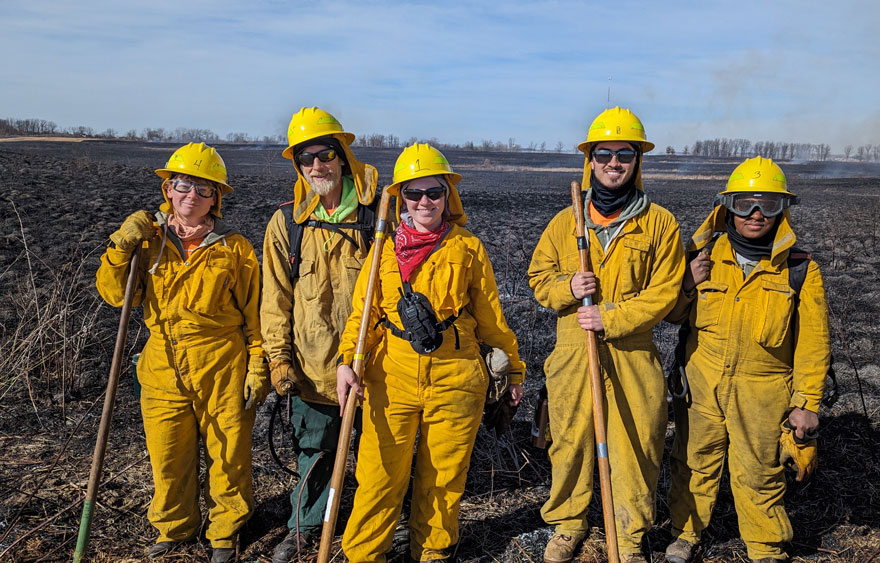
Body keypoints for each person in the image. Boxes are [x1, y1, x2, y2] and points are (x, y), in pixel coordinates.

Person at [336, 143, 525, 562]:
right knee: (378, 475)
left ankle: (434, 552)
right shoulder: (382, 248)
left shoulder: (468, 248)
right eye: (414, 193)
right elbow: (361, 317)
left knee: (442, 478)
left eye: (434, 193)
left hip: (456, 377)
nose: (424, 202)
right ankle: (366, 555)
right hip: (391, 376)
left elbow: (492, 318)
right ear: (400, 197)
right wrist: (348, 362)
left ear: (447, 196)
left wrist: (513, 370)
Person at [527, 107, 686, 563]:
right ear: (590, 160)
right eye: (604, 154)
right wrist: (568, 288)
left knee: (636, 448)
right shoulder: (566, 223)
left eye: (624, 154)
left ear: (637, 161)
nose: (613, 163)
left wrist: (611, 317)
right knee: (570, 441)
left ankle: (630, 536)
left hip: (633, 354)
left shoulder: (659, 224)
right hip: (574, 353)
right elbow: (539, 277)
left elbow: (664, 292)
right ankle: (567, 524)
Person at [95, 142, 266, 563]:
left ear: (217, 199)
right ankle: (175, 527)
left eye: (204, 190)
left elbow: (256, 318)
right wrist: (120, 245)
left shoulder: (236, 249)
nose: (192, 196)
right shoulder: (146, 243)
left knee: (229, 456)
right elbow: (117, 296)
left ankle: (225, 533)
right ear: (168, 189)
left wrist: (258, 366)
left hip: (223, 364)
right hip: (163, 365)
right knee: (168, 453)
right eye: (183, 185)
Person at [663, 156, 830, 563]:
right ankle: (685, 535)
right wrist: (688, 284)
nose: (756, 214)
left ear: (783, 210)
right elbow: (672, 315)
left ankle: (766, 546)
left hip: (765, 390)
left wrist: (806, 403)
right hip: (701, 382)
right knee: (692, 462)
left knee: (760, 471)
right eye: (745, 204)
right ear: (728, 206)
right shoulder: (700, 253)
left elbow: (813, 342)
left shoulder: (800, 270)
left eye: (769, 205)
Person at [260, 107, 379, 562]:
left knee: (378, 457)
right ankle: (305, 528)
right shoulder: (286, 224)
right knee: (313, 454)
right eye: (305, 159)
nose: (316, 166)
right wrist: (279, 360)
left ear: (342, 155)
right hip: (310, 372)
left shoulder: (377, 218)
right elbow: (275, 302)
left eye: (325, 154)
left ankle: (378, 528)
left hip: (371, 369)